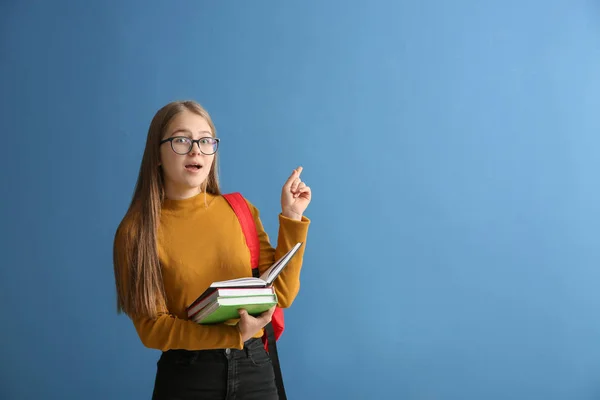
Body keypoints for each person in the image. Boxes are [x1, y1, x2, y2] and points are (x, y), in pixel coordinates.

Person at [112, 100, 311, 399]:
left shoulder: (240, 209)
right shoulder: (136, 232)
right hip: (188, 376)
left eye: (205, 140)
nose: (196, 150)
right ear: (156, 153)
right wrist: (230, 335)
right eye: (182, 140)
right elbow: (152, 328)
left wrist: (292, 217)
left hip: (254, 366)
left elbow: (281, 293)